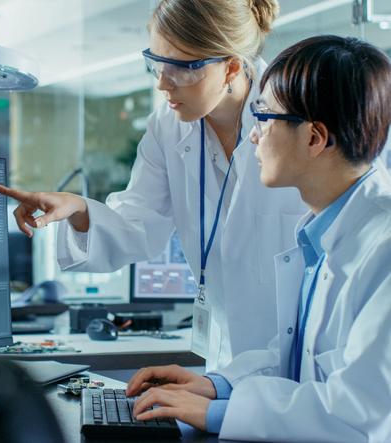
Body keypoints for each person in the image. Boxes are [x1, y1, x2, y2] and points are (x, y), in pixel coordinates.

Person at [0, 0, 307, 370]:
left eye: (181, 68)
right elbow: (139, 224)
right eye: (156, 62)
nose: (161, 82)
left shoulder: (296, 115)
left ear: (232, 67)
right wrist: (78, 209)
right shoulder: (168, 126)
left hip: (301, 353)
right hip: (225, 358)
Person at [127, 35, 391, 442]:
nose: (253, 135)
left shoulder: (383, 247)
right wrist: (218, 386)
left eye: (265, 118)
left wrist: (216, 414)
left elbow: (358, 414)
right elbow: (302, 359)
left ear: (314, 138)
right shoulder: (326, 231)